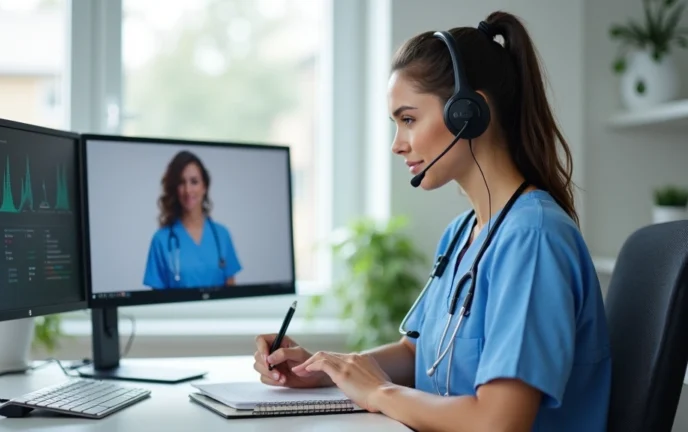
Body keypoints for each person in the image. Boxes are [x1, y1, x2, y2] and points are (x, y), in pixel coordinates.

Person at [252, 11, 611, 432]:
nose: (397, 145)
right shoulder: (462, 233)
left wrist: (380, 394)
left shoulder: (532, 239)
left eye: (408, 119)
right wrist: (327, 370)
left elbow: (500, 421)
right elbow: (416, 353)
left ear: (469, 113)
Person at [143, 150, 241, 289]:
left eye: (194, 182)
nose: (188, 190)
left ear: (204, 187)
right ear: (175, 189)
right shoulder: (161, 240)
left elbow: (232, 293)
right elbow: (156, 302)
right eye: (181, 183)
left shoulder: (222, 235)